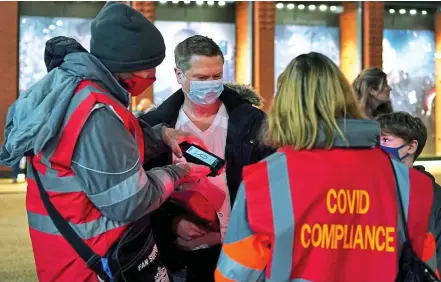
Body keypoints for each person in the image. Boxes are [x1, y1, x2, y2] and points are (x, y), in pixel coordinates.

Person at [0, 3, 212, 281]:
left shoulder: (80, 90)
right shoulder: (96, 114)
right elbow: (131, 202)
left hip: (72, 255)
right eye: (149, 66)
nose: (153, 75)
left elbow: (111, 153)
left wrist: (161, 135)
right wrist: (179, 173)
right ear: (125, 65)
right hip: (95, 264)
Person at [215, 52, 439, 281]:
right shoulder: (413, 185)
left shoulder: (265, 181)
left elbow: (232, 275)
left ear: (284, 108)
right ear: (346, 99)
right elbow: (428, 270)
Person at [139, 35, 275, 281]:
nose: (211, 85)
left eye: (216, 76)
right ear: (179, 75)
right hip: (177, 258)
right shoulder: (154, 127)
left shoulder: (253, 123)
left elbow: (270, 192)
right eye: (201, 78)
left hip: (240, 254)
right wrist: (172, 224)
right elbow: (141, 193)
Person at [376, 111, 441, 273]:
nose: (378, 146)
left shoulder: (433, 196)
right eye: (376, 140)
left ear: (411, 147)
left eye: (386, 140)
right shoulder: (371, 187)